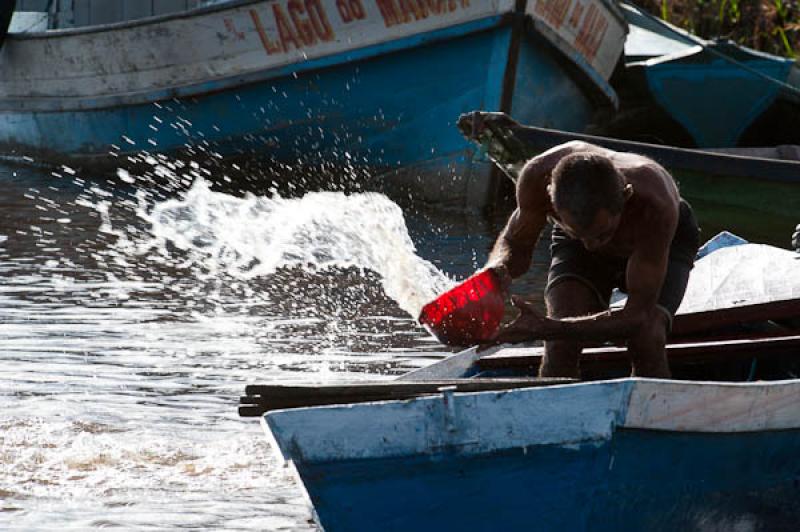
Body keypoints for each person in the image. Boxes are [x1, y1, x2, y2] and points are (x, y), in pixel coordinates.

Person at [461, 112, 700, 379]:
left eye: (602, 234)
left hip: (660, 241)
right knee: (560, 344)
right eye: (580, 234)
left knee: (647, 336)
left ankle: (653, 413)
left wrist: (546, 327)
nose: (591, 246)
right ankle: (554, 412)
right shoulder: (537, 178)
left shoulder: (655, 204)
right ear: (551, 200)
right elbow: (517, 248)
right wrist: (495, 275)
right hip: (576, 237)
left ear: (626, 197)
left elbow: (636, 317)